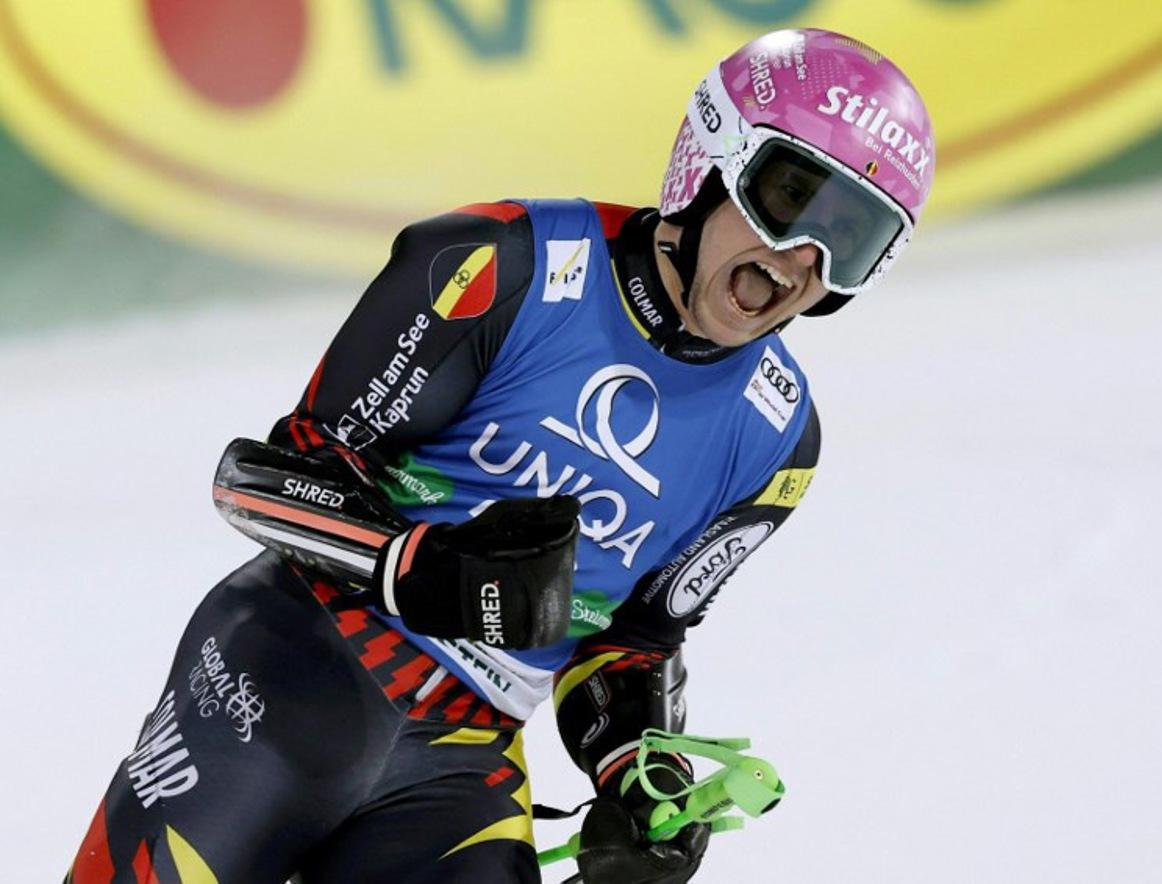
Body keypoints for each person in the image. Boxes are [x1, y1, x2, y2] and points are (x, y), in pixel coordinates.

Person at [68, 28, 934, 884]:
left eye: (851, 237)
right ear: (706, 163)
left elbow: (634, 637)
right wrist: (416, 568)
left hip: (460, 757)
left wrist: (639, 777)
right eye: (790, 197)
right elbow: (263, 482)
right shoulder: (501, 265)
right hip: (292, 667)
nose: (803, 258)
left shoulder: (778, 441)